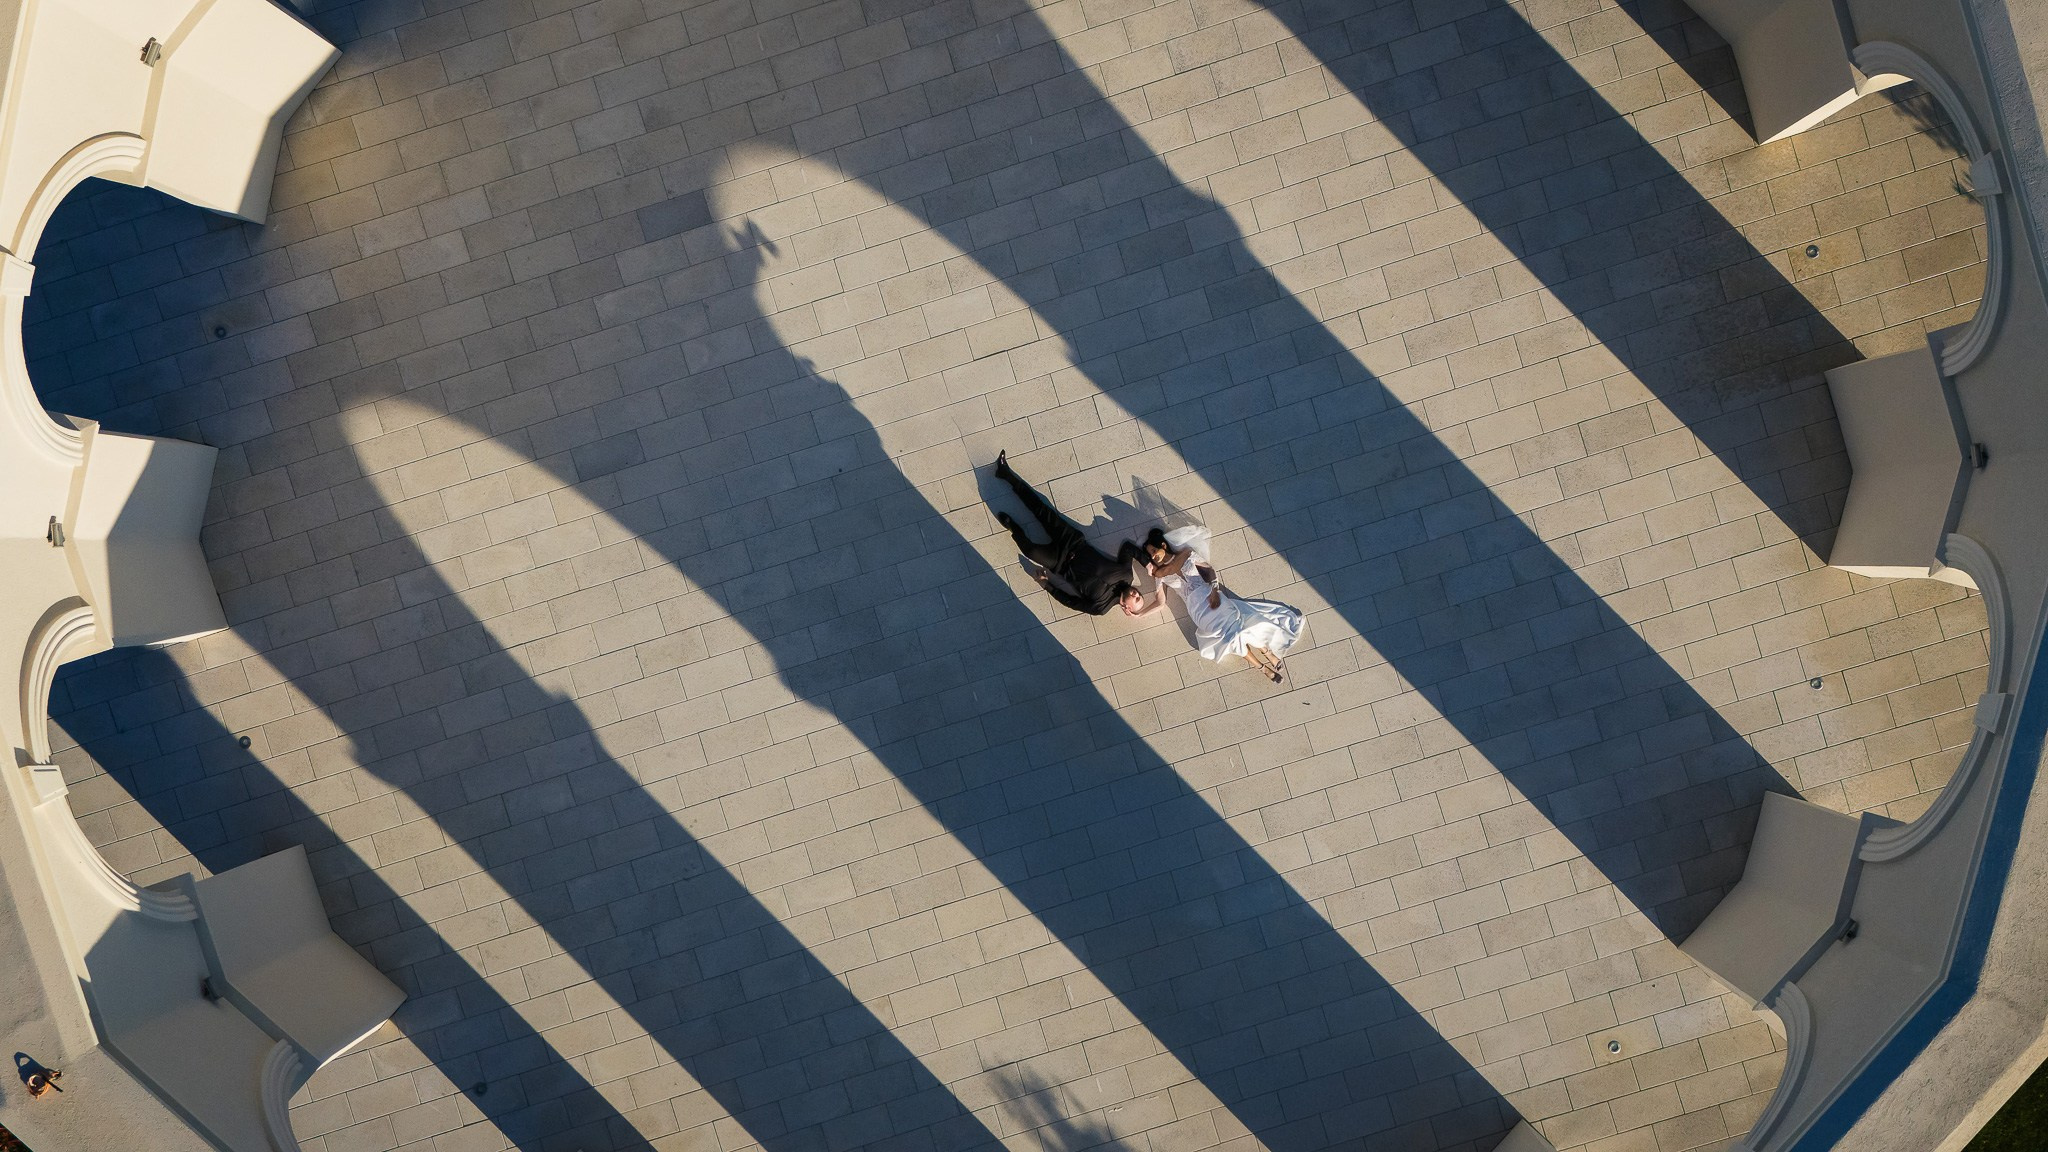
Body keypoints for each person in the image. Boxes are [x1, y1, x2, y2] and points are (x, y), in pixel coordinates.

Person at [1129, 525, 1303, 683]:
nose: (1153, 556)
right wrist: (1139, 614)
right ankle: (1262, 667)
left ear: (1163, 545)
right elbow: (1160, 602)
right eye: (1150, 555)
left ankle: (1267, 655)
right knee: (1230, 638)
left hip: (1211, 597)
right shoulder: (1161, 576)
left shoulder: (1186, 555)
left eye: (1153, 551)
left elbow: (1210, 570)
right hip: (1198, 611)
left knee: (1239, 629)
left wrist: (1214, 591)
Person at [989, 450, 1147, 616]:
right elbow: (1129, 548)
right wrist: (1146, 562)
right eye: (1139, 594)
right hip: (1072, 541)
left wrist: (1047, 585)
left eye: (1136, 599)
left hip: (1060, 563)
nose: (1136, 593)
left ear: (1127, 609)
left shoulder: (1100, 607)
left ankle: (1014, 528)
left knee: (1030, 551)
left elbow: (1071, 602)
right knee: (1040, 509)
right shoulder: (1127, 574)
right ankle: (1005, 473)